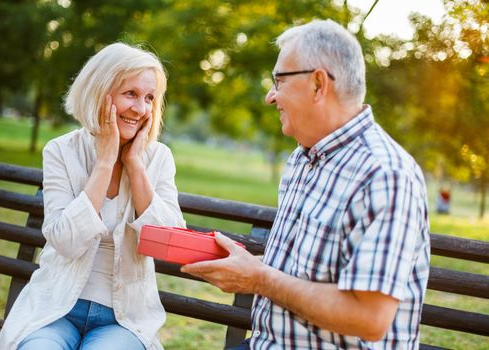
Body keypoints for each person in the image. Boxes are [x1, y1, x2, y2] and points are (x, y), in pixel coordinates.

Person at [182, 19, 430, 349]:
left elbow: (368, 318)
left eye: (279, 81)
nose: (270, 96)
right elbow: (297, 275)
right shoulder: (304, 156)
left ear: (317, 84)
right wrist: (246, 267)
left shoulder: (385, 175)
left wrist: (259, 278)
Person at [0, 42, 185, 350]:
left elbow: (170, 244)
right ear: (99, 91)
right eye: (130, 94)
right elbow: (65, 241)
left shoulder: (158, 159)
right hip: (55, 309)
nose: (141, 108)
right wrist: (105, 163)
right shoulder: (62, 151)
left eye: (149, 98)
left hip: (123, 321)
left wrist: (135, 166)